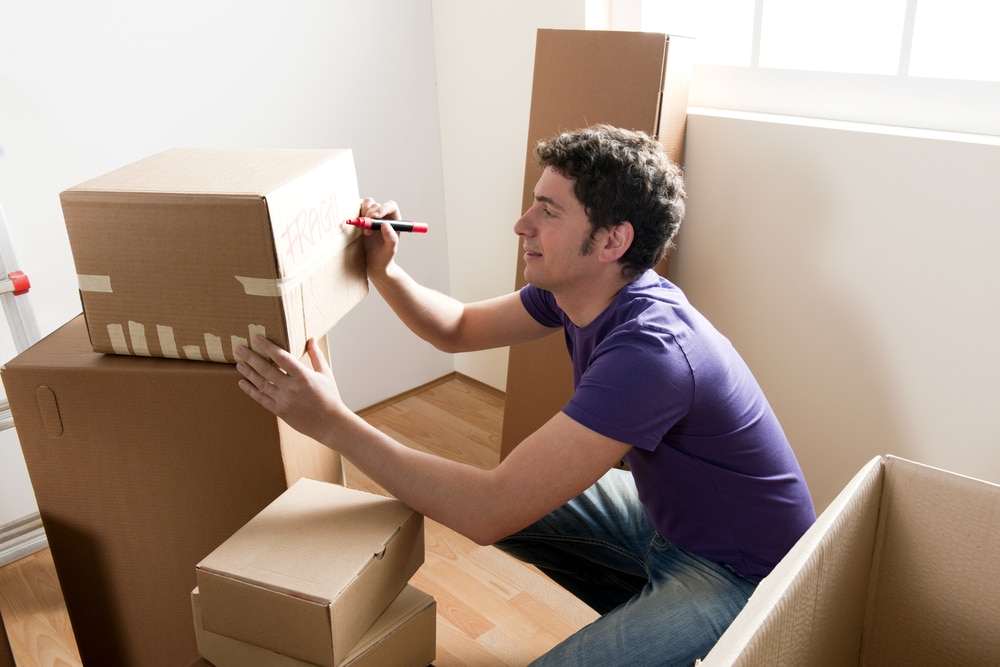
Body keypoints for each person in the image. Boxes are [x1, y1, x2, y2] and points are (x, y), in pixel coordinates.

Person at [235, 124, 816, 666]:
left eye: (548, 210)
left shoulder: (653, 352)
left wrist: (332, 422)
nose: (522, 225)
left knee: (489, 499)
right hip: (667, 523)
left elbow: (487, 512)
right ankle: (653, 619)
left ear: (613, 240)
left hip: (746, 576)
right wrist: (386, 271)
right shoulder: (578, 291)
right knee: (474, 488)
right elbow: (457, 326)